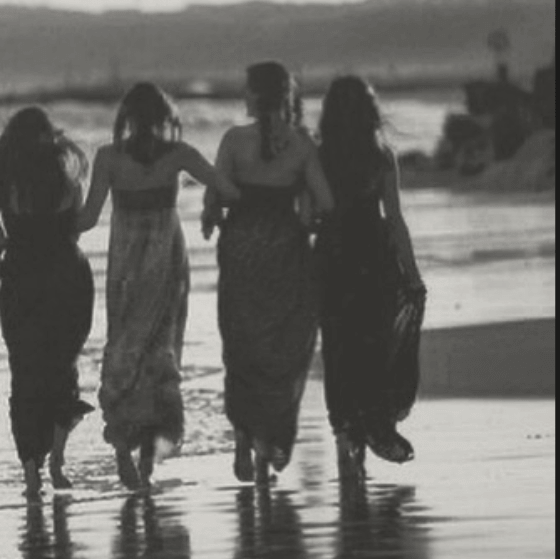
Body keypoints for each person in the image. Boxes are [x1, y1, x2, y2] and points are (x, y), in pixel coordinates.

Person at [77, 82, 239, 490]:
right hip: (166, 262)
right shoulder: (178, 155)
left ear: (127, 118)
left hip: (127, 268)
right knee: (162, 350)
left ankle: (122, 450)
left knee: (125, 347)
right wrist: (218, 210)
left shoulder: (108, 157)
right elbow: (227, 187)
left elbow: (87, 218)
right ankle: (147, 455)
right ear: (165, 119)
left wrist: (37, 226)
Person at [201, 61, 334, 484]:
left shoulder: (234, 140)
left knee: (241, 345)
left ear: (254, 96)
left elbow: (219, 189)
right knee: (286, 346)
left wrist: (218, 212)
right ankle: (269, 444)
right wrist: (303, 214)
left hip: (241, 248)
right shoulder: (301, 143)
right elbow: (325, 203)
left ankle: (243, 438)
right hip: (285, 251)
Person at [0, 107, 94, 499]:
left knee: (25, 372)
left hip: (23, 275)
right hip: (68, 272)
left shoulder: (2, 179)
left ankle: (31, 472)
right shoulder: (67, 171)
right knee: (63, 366)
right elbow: (77, 220)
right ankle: (58, 462)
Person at [315, 75, 426, 480]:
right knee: (375, 345)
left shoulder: (318, 156)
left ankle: (346, 434)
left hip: (331, 257)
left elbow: (308, 215)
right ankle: (373, 424)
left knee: (339, 348)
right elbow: (394, 219)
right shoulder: (381, 156)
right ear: (369, 112)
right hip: (373, 257)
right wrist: (412, 276)